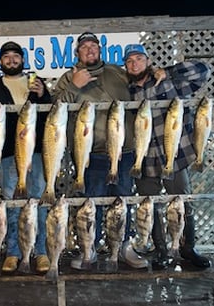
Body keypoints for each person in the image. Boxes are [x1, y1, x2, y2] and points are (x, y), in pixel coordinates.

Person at [53, 32, 148, 270]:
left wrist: (156, 71)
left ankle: (124, 246)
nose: (89, 50)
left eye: (93, 46)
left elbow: (141, 81)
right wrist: (75, 86)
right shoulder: (68, 77)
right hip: (89, 153)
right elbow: (55, 108)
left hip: (124, 151)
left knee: (123, 200)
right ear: (77, 53)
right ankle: (89, 249)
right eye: (83, 47)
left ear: (100, 49)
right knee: (90, 203)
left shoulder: (119, 72)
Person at [124, 43, 212, 270]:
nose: (135, 64)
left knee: (182, 202)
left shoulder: (170, 81)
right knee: (149, 206)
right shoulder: (127, 91)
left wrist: (170, 70)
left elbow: (203, 70)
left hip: (175, 155)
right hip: (144, 159)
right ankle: (161, 250)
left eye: (139, 59)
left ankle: (187, 248)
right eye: (130, 61)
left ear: (147, 61)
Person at [0, 41, 52, 274]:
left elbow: (51, 118)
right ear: (0, 62)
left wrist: (43, 95)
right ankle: (13, 253)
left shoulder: (36, 82)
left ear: (22, 60)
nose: (11, 60)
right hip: (8, 154)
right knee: (12, 205)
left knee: (38, 203)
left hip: (37, 153)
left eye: (15, 56)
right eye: (6, 56)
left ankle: (40, 253)